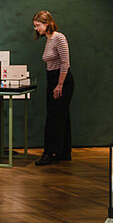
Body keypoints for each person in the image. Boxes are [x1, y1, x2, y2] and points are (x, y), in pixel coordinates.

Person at [32, 10, 74, 165]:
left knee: (54, 118)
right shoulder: (48, 39)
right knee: (62, 117)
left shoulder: (59, 38)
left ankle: (50, 152)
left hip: (61, 80)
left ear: (46, 23)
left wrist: (60, 85)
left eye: (38, 25)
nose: (36, 29)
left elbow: (65, 63)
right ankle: (63, 152)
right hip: (52, 79)